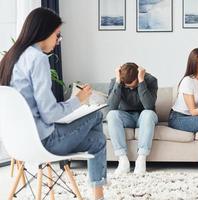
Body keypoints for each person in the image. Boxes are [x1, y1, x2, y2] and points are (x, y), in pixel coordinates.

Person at [0, 8, 106, 200]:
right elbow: (49, 114)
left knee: (98, 141)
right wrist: (79, 100)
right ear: (45, 32)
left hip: (17, 144)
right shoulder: (38, 58)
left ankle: (99, 195)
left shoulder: (11, 58)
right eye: (57, 35)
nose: (58, 41)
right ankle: (98, 196)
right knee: (97, 115)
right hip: (45, 142)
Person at [107, 62, 158, 174]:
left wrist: (141, 82)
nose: (130, 88)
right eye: (127, 86)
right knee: (112, 115)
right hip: (126, 117)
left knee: (148, 113)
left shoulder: (151, 80)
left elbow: (149, 106)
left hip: (144, 117)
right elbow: (111, 107)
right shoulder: (115, 81)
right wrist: (118, 82)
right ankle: (123, 160)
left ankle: (141, 159)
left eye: (133, 86)